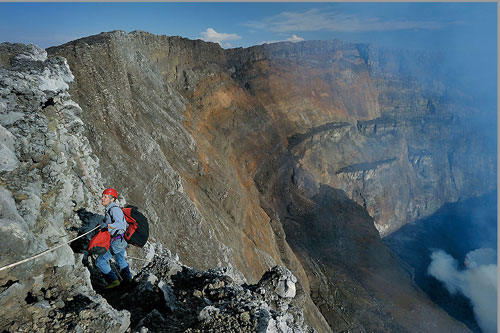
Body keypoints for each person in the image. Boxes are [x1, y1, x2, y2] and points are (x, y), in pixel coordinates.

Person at [96, 188, 132, 289]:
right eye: (103, 196)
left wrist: (106, 226)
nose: (102, 198)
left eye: (105, 197)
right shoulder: (111, 209)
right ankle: (128, 280)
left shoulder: (114, 209)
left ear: (112, 199)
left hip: (117, 241)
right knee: (120, 259)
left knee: (100, 261)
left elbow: (120, 224)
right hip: (121, 240)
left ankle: (113, 281)